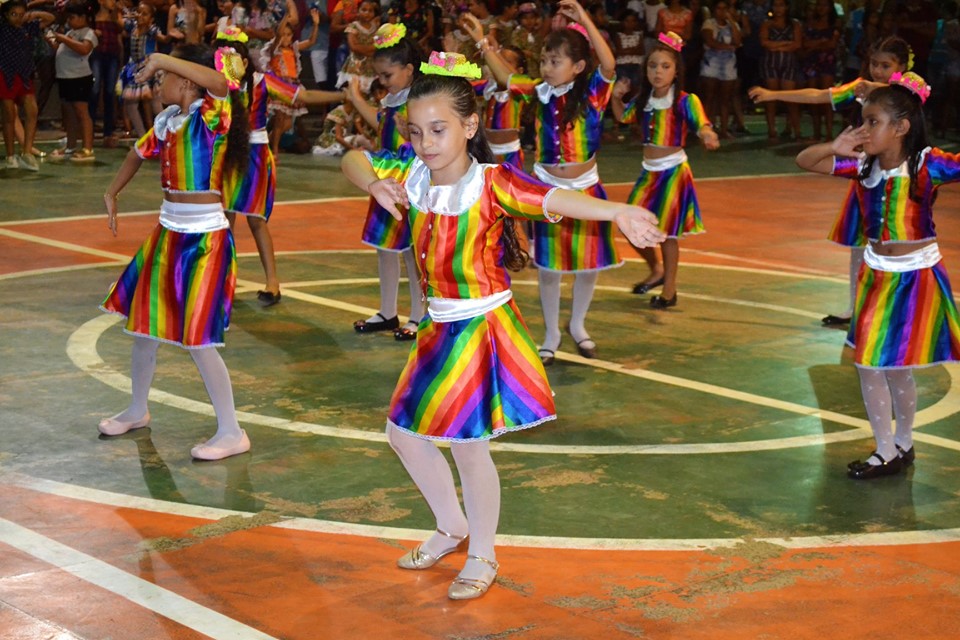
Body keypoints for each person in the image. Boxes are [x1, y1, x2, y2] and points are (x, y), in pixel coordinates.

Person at [340, 52, 664, 600]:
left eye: (439, 129)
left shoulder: (492, 184)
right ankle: (452, 526)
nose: (426, 142)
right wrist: (373, 184)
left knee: (467, 445)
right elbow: (353, 157)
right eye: (416, 132)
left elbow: (552, 198)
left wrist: (616, 213)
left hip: (480, 326)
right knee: (403, 434)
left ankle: (483, 552)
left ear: (469, 127)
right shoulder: (412, 176)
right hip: (438, 328)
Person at [795, 72, 960, 479]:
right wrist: (834, 147)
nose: (863, 129)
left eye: (873, 122)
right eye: (862, 121)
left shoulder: (927, 163)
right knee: (869, 364)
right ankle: (886, 448)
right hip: (876, 276)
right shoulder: (861, 165)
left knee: (896, 366)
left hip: (916, 275)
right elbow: (805, 161)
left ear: (902, 128)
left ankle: (901, 443)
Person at [99, 44, 254, 461]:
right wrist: (112, 191)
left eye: (164, 77)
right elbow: (136, 154)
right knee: (143, 329)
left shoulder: (211, 116)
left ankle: (232, 431)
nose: (157, 84)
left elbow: (221, 81)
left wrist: (166, 59)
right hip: (168, 233)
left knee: (198, 339)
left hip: (205, 240)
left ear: (185, 80)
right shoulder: (169, 121)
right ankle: (137, 408)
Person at [465, 0, 621, 364]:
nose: (547, 68)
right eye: (545, 61)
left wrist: (584, 18)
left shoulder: (593, 93)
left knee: (588, 264)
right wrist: (484, 44)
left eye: (555, 62)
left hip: (586, 189)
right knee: (549, 269)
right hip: (549, 191)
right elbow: (505, 77)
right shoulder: (538, 91)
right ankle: (551, 333)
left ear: (578, 66)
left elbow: (610, 64)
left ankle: (578, 325)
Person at [749, 36, 913, 328]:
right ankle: (856, 309)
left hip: (899, 173)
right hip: (865, 169)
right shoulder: (862, 88)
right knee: (858, 244)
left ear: (902, 66)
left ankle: (897, 312)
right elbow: (818, 95)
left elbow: (916, 91)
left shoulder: (910, 89)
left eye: (886, 65)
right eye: (874, 64)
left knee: (897, 240)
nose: (877, 70)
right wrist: (774, 94)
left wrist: (882, 88)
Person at [217, 25, 345, 305]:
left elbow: (305, 97)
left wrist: (345, 96)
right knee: (222, 219)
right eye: (221, 59)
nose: (226, 66)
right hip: (225, 153)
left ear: (245, 62)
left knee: (255, 220)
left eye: (231, 60)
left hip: (255, 155)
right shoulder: (216, 83)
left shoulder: (263, 81)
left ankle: (272, 280)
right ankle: (221, 278)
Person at [611, 32, 719, 307]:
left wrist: (707, 134)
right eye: (652, 66)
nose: (658, 72)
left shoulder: (685, 100)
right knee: (630, 225)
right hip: (649, 173)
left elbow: (702, 124)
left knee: (667, 233)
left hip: (673, 172)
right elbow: (623, 116)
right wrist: (616, 96)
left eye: (665, 66)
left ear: (676, 70)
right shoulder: (644, 99)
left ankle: (669, 291)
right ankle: (657, 270)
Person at [346, 22, 425, 341]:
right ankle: (388, 310)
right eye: (379, 76)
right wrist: (353, 96)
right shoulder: (394, 100)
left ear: (408, 69)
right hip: (385, 176)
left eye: (387, 75)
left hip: (410, 181)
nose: (382, 81)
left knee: (411, 250)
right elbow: (379, 121)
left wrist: (413, 132)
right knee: (386, 247)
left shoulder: (418, 98)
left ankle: (420, 315)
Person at [0, 0, 55, 171]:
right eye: (13, 14)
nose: (17, 18)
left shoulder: (28, 27)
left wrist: (31, 14)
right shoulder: (2, 29)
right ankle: (10, 156)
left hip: (24, 74)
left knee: (32, 110)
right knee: (8, 115)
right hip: (5, 73)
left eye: (20, 14)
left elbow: (50, 18)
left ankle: (27, 153)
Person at [260, 8, 320, 156]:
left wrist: (316, 24)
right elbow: (279, 34)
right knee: (280, 119)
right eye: (283, 35)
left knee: (287, 123)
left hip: (292, 85)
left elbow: (311, 41)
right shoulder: (274, 49)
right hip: (280, 85)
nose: (286, 38)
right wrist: (286, 17)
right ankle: (274, 151)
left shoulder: (293, 49)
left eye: (289, 35)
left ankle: (265, 144)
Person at [49, 0, 100, 163]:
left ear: (83, 17)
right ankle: (71, 146)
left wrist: (63, 38)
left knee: (82, 113)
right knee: (69, 114)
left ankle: (87, 148)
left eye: (72, 17)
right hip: (65, 77)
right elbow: (62, 50)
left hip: (79, 78)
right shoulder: (71, 32)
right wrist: (52, 41)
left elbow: (84, 49)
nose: (69, 21)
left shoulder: (89, 32)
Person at [758, 0, 802, 140]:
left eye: (781, 5)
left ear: (787, 7)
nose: (778, 9)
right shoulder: (767, 24)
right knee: (771, 97)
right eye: (775, 5)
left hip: (788, 63)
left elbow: (797, 44)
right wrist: (785, 44)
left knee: (790, 98)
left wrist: (776, 46)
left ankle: (796, 131)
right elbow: (764, 43)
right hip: (770, 63)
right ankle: (772, 130)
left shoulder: (795, 24)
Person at [699, 0, 741, 140]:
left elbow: (738, 41)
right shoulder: (709, 23)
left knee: (725, 99)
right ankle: (707, 127)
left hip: (728, 64)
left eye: (725, 8)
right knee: (709, 97)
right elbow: (710, 41)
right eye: (719, 8)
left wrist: (732, 22)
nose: (722, 11)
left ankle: (723, 129)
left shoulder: (732, 24)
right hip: (711, 63)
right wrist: (727, 47)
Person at [335, 0, 378, 93]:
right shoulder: (353, 26)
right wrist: (370, 49)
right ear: (358, 11)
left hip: (372, 68)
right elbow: (353, 47)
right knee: (355, 92)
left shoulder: (376, 28)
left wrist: (362, 47)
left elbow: (378, 46)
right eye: (364, 10)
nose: (367, 13)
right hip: (356, 67)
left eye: (370, 11)